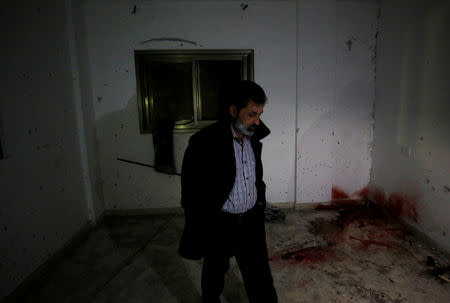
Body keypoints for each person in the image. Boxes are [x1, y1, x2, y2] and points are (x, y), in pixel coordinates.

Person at [178, 80, 278, 303]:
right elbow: (190, 191)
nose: (257, 121)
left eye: (260, 114)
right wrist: (200, 222)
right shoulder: (204, 142)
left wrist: (260, 202)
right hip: (220, 223)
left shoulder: (254, 138)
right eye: (252, 114)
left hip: (251, 219)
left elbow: (256, 177)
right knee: (214, 272)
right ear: (233, 110)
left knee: (260, 276)